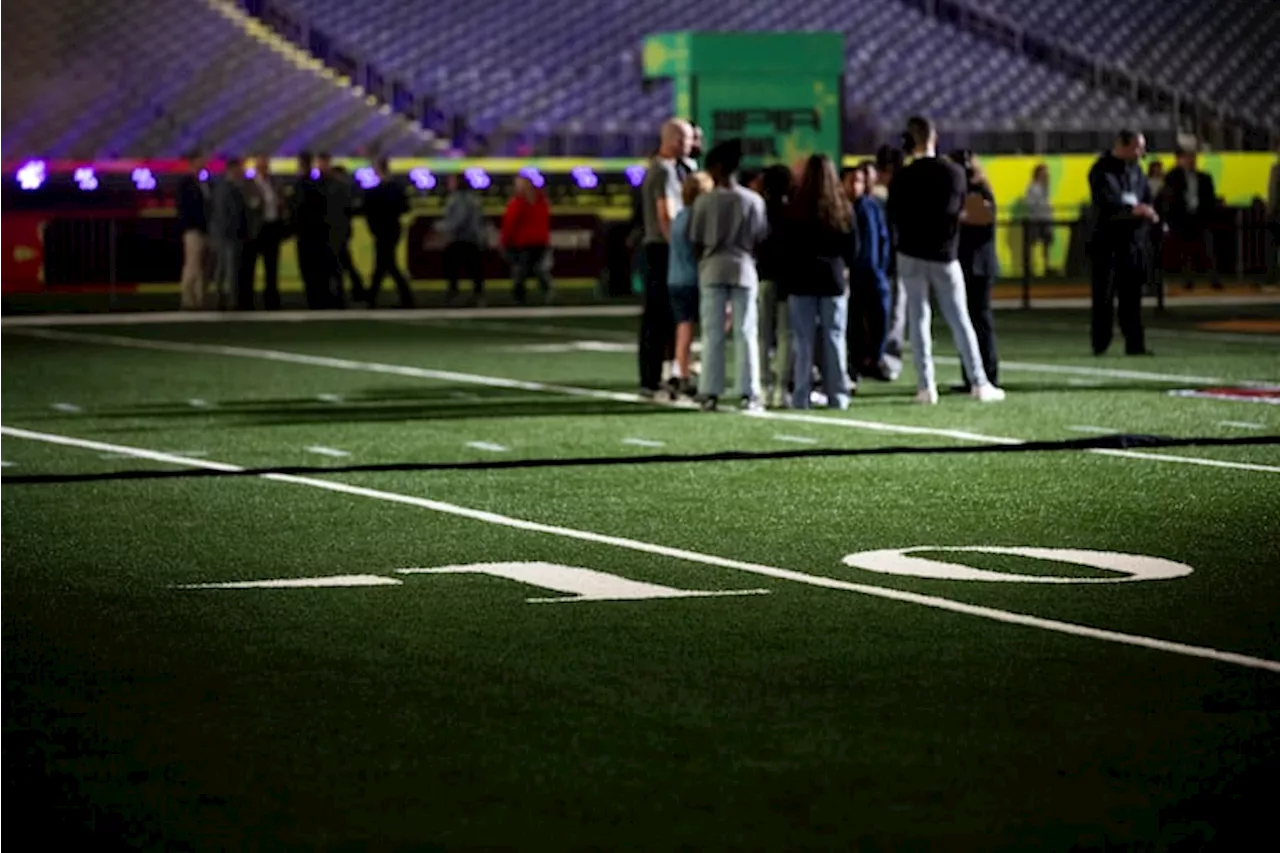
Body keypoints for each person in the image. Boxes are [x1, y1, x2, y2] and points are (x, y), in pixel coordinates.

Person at [888, 117, 1005, 404]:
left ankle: (926, 386)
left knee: (918, 319)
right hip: (943, 253)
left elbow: (893, 213)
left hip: (910, 253)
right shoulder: (952, 172)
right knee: (960, 318)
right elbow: (955, 211)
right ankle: (979, 381)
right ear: (933, 137)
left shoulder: (903, 175)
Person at [688, 139, 768, 411]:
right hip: (744, 267)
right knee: (746, 331)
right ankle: (750, 391)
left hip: (712, 268)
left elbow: (696, 241)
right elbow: (760, 238)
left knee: (712, 333)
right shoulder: (753, 200)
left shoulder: (704, 202)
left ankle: (709, 391)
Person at [781, 153, 858, 410]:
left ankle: (801, 396)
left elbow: (786, 246)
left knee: (803, 341)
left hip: (801, 279)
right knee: (835, 338)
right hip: (832, 278)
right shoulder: (842, 207)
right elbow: (853, 247)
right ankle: (838, 395)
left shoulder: (795, 206)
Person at [1088, 129, 1159, 355]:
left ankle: (1135, 344)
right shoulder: (1101, 169)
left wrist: (1148, 211)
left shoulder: (1136, 170)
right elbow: (1107, 203)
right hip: (1107, 243)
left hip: (1133, 242)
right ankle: (1101, 343)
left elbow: (1146, 197)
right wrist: (1133, 210)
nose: (1142, 153)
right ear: (1123, 145)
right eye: (1138, 147)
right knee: (1104, 296)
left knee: (1132, 295)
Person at [638, 118, 693, 397]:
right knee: (661, 314)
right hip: (662, 248)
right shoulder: (664, 171)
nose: (690, 144)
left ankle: (659, 374)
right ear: (671, 139)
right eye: (684, 138)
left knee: (661, 315)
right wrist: (680, 249)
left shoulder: (666, 168)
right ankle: (653, 376)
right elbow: (665, 215)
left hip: (658, 247)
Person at [950, 150, 1000, 391]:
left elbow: (982, 219)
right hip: (969, 262)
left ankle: (987, 372)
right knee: (968, 320)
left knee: (979, 319)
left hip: (978, 264)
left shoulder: (978, 191)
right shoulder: (967, 190)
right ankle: (971, 374)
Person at [667, 171, 713, 398]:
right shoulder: (697, 219)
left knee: (682, 328)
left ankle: (681, 372)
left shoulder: (679, 216)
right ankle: (696, 370)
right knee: (710, 326)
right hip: (693, 279)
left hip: (675, 278)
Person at [849, 162, 892, 384]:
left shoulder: (872, 205)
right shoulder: (850, 207)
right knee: (856, 321)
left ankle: (872, 360)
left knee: (879, 318)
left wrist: (882, 267)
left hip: (874, 273)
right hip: (859, 274)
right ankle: (858, 363)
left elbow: (882, 238)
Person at [757, 165, 795, 408]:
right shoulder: (793, 211)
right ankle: (782, 388)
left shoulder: (758, 208)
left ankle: (762, 386)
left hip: (762, 277)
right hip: (788, 279)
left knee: (762, 335)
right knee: (785, 336)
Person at [1162, 148, 1221, 290]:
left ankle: (1214, 280)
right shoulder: (1173, 176)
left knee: (1208, 250)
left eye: (1193, 158)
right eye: (1187, 158)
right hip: (1182, 219)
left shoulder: (1205, 177)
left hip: (1200, 219)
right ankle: (1188, 280)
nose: (1191, 161)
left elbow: (1210, 199)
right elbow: (1169, 197)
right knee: (1185, 252)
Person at [362, 157, 415, 308]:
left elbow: (368, 210)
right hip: (392, 229)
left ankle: (373, 297)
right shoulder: (396, 189)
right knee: (384, 263)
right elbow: (405, 207)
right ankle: (374, 297)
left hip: (383, 230)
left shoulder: (377, 191)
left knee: (386, 263)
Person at [875, 144, 906, 381]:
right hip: (888, 261)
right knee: (892, 312)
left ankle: (887, 360)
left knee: (895, 312)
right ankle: (882, 359)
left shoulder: (891, 195)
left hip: (893, 261)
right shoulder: (880, 196)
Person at [291, 151, 337, 309]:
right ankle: (322, 299)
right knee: (320, 271)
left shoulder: (302, 185)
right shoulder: (319, 184)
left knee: (310, 271)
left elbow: (298, 210)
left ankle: (315, 301)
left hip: (307, 235)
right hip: (319, 234)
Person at [500, 175, 553, 304]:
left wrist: (505, 242)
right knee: (537, 270)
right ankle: (546, 292)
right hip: (539, 242)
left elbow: (510, 224)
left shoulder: (518, 203)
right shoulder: (541, 201)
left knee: (521, 270)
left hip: (524, 243)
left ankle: (520, 296)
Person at [437, 172, 487, 305]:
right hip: (472, 238)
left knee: (453, 267)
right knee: (474, 269)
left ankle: (454, 294)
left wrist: (442, 227)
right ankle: (478, 295)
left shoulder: (458, 198)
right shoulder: (472, 197)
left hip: (461, 238)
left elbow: (459, 219)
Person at [242, 155, 285, 309]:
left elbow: (280, 202)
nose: (264, 168)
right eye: (261, 165)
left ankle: (272, 300)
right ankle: (247, 301)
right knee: (250, 268)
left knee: (271, 266)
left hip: (272, 228)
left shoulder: (274, 183)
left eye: (266, 165)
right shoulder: (248, 184)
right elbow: (249, 206)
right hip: (255, 230)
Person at [321, 156, 364, 304]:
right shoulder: (345, 188)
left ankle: (340, 294)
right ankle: (356, 291)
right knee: (345, 263)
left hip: (336, 232)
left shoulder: (337, 188)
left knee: (338, 264)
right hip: (341, 231)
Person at [209, 157, 249, 311]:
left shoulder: (231, 187)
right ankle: (228, 301)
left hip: (229, 234)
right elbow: (224, 214)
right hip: (227, 235)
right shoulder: (225, 188)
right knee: (227, 269)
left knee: (225, 269)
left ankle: (225, 299)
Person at [177, 152, 208, 310]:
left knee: (202, 266)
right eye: (200, 159)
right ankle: (188, 299)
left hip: (204, 229)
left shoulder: (203, 182)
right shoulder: (186, 183)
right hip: (193, 230)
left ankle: (200, 298)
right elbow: (184, 208)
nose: (204, 162)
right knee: (192, 264)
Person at [1022, 164, 1055, 277]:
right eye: (1044, 173)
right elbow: (1030, 204)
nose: (1046, 175)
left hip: (1046, 219)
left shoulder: (1046, 187)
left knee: (1046, 245)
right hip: (1036, 220)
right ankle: (1029, 268)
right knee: (1031, 244)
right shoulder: (1032, 188)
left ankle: (1047, 267)